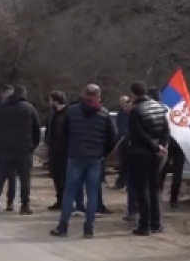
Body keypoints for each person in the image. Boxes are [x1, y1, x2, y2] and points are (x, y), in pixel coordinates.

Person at [50, 84, 117, 238]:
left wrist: (69, 150)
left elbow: (63, 133)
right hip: (95, 158)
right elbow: (112, 138)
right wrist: (102, 153)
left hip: (75, 156)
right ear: (98, 96)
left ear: (84, 94)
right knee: (92, 193)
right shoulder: (104, 114)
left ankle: (63, 226)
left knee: (70, 192)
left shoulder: (72, 111)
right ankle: (88, 228)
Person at [0, 84, 41, 215]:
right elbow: (36, 129)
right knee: (24, 178)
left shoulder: (1, 108)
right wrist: (32, 145)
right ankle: (24, 205)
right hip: (24, 149)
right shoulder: (29, 108)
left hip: (4, 147)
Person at [127, 81, 170, 236]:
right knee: (154, 188)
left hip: (141, 153)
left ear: (133, 94)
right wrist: (162, 146)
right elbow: (166, 129)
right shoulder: (159, 107)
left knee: (142, 190)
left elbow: (138, 133)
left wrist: (154, 147)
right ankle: (156, 223)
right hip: (157, 154)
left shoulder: (135, 110)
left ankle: (144, 225)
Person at [45, 90, 70, 210]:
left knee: (65, 177)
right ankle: (59, 199)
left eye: (50, 100)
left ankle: (67, 200)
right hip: (54, 151)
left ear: (55, 101)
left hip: (65, 152)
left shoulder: (68, 114)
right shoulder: (53, 115)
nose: (49, 103)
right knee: (56, 176)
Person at [160, 137, 186, 209]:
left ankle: (158, 197)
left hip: (167, 142)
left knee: (162, 171)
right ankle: (174, 200)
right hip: (180, 143)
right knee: (177, 173)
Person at [114, 95, 131, 189]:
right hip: (121, 141)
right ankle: (121, 182)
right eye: (120, 102)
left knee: (129, 164)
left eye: (124, 102)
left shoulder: (132, 113)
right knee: (122, 163)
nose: (122, 104)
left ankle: (127, 183)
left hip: (129, 141)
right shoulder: (120, 113)